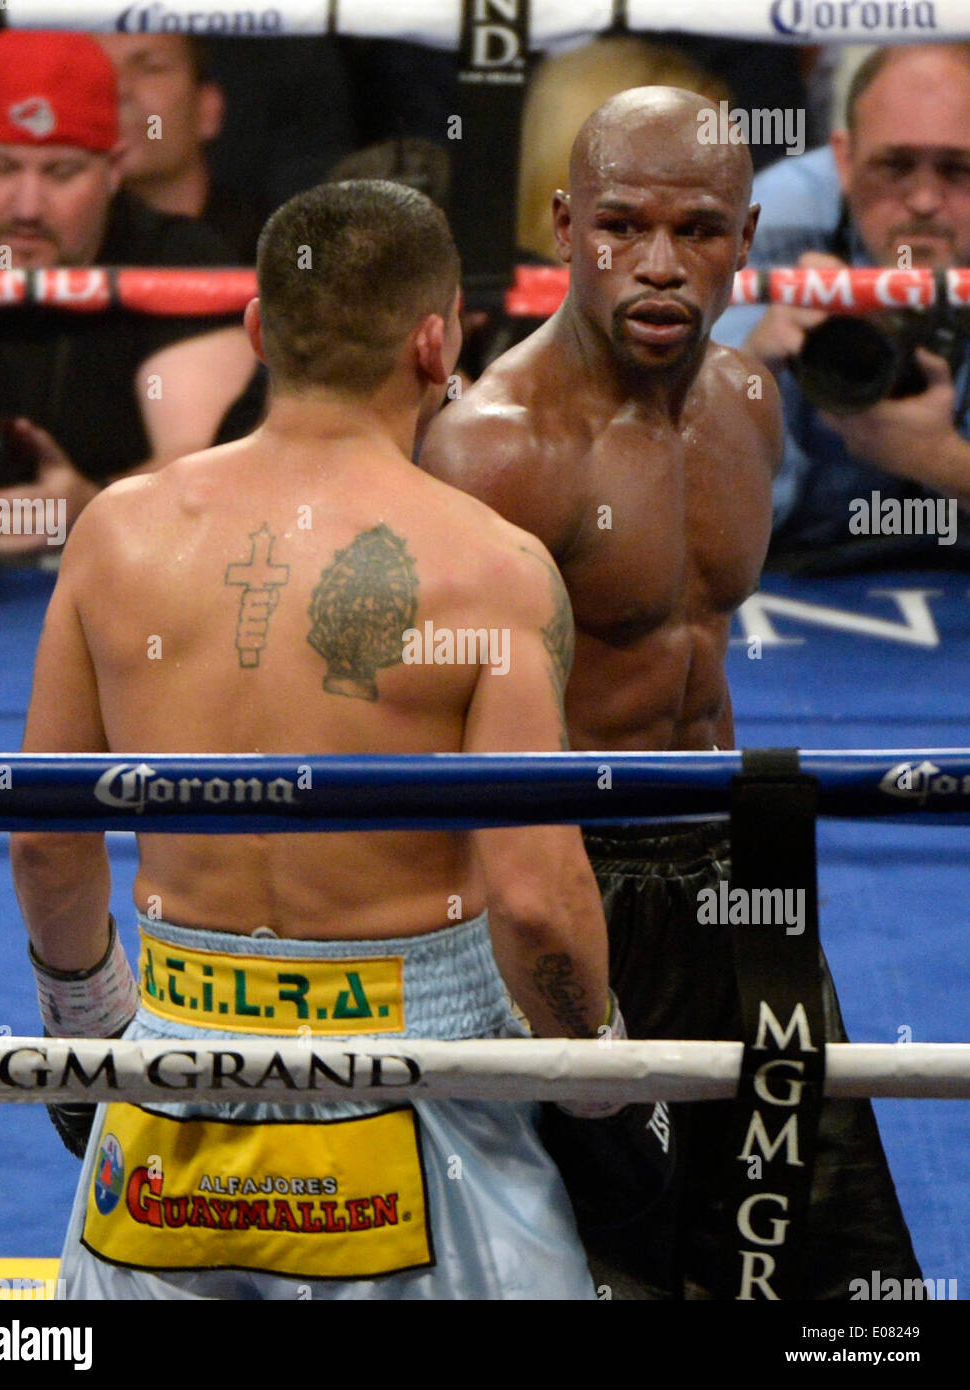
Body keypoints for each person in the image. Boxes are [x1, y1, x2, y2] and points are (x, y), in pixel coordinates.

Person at [10, 179, 615, 1301]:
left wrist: (87, 1040)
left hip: (171, 1081)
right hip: (418, 1079)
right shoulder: (491, 567)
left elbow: (49, 839)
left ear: (254, 330)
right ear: (436, 344)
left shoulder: (117, 534)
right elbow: (537, 896)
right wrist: (601, 1066)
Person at [420, 87, 921, 1299]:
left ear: (749, 239)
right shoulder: (496, 448)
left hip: (736, 865)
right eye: (621, 225)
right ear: (562, 226)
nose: (658, 265)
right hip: (568, 885)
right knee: (619, 1269)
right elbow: (429, 735)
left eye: (697, 229)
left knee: (843, 1271)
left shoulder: (747, 403)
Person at [0, 29, 260, 557]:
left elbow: (200, 472)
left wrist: (87, 508)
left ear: (112, 171)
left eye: (60, 172)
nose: (26, 207)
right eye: (0, 167)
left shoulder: (177, 261)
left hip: (121, 584)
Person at [715, 44, 970, 569]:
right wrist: (749, 378)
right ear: (845, 160)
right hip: (794, 577)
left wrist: (942, 461)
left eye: (957, 170)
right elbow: (679, 512)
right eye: (895, 166)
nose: (924, 201)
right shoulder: (774, 221)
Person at [95, 33, 272, 263]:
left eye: (151, 68)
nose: (119, 89)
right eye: (99, 69)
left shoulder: (272, 248)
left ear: (208, 109)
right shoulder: (61, 251)